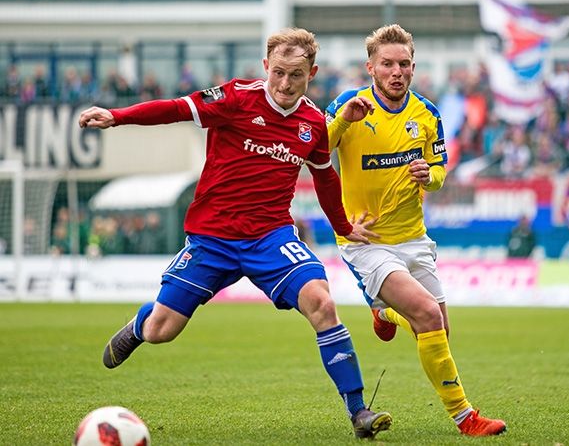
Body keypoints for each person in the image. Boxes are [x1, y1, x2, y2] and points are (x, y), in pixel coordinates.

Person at [79, 28, 392, 440]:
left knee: (321, 302)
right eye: (278, 72)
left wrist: (344, 226)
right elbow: (174, 108)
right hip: (212, 238)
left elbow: (325, 178)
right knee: (162, 330)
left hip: (271, 237)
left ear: (311, 73)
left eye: (295, 75)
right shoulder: (235, 97)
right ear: (266, 67)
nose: (284, 83)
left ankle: (359, 411)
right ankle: (138, 326)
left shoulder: (314, 123)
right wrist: (118, 117)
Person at [325, 24, 507, 437]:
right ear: (370, 67)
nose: (397, 71)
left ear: (413, 66)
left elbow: (441, 170)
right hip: (365, 240)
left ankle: (384, 312)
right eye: (387, 64)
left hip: (414, 236)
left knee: (440, 326)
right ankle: (466, 418)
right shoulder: (348, 104)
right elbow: (313, 150)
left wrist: (431, 175)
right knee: (425, 314)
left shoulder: (426, 113)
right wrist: (340, 124)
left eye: (404, 64)